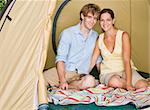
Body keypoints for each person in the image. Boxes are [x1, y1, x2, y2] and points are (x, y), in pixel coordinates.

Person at [44, 3, 101, 90]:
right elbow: (60, 59)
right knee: (38, 80)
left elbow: (97, 59)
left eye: (95, 18)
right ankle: (64, 85)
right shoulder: (67, 33)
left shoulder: (95, 36)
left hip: (81, 74)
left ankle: (65, 87)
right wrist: (62, 80)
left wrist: (103, 77)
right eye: (89, 17)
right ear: (82, 16)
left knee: (90, 81)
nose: (92, 21)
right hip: (65, 71)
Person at [90, 8, 149, 91]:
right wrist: (82, 74)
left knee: (142, 85)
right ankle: (131, 86)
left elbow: (126, 60)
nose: (105, 23)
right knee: (114, 82)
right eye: (102, 20)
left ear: (113, 21)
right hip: (108, 73)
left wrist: (128, 83)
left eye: (108, 20)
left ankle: (141, 83)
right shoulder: (99, 38)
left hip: (125, 70)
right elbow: (93, 61)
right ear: (99, 22)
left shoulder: (123, 35)